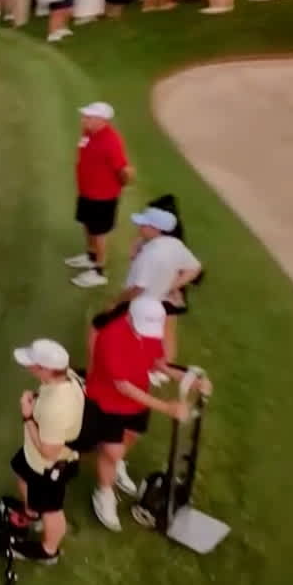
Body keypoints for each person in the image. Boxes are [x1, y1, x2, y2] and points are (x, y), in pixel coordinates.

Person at [78, 300, 203, 531]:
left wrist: (187, 379)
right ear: (129, 317)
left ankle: (114, 467)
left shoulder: (150, 330)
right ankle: (104, 492)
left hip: (136, 403)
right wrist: (167, 407)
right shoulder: (111, 337)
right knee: (112, 450)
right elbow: (122, 386)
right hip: (108, 402)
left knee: (129, 438)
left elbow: (157, 363)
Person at [8, 339, 84, 563]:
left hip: (49, 466)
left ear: (45, 369)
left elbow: (48, 452)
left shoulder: (57, 408)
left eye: (32, 363)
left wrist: (27, 415)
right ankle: (33, 512)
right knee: (21, 473)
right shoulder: (65, 375)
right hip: (33, 458)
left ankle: (48, 551)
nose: (27, 366)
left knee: (52, 510)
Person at [116, 207, 203, 361]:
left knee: (145, 332)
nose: (139, 228)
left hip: (148, 300)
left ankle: (154, 367)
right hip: (164, 298)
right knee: (165, 333)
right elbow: (194, 268)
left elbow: (138, 287)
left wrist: (118, 301)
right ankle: (162, 368)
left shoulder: (152, 253)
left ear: (156, 229)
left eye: (144, 225)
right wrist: (171, 286)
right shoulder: (174, 244)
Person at [68, 102, 132, 288]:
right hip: (87, 192)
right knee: (87, 226)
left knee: (99, 233)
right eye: (84, 116)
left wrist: (120, 186)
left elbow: (123, 170)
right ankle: (91, 256)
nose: (83, 120)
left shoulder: (111, 141)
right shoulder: (88, 134)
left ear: (101, 120)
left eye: (88, 117)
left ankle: (99, 271)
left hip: (103, 197)